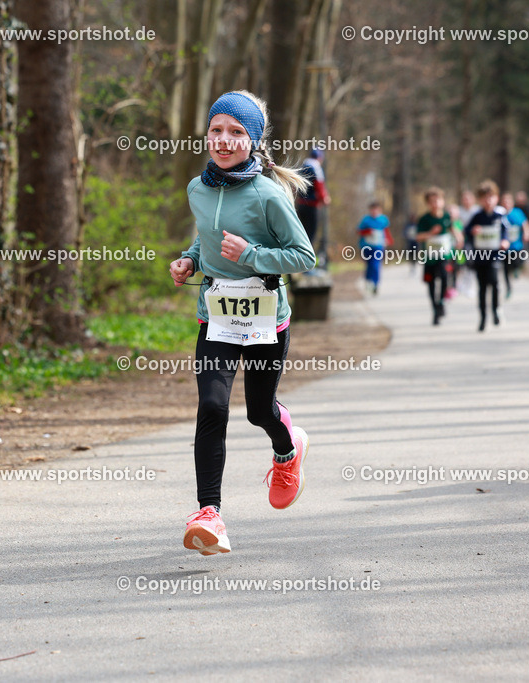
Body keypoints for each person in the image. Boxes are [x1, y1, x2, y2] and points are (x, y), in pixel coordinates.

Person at [169, 90, 316, 555]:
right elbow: (206, 235)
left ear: (252, 140)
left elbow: (304, 256)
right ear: (206, 135)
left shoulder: (268, 194)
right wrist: (190, 260)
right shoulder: (197, 187)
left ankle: (287, 445)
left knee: (257, 411)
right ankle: (208, 513)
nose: (224, 140)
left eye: (236, 133)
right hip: (216, 317)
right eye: (216, 130)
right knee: (212, 406)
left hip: (266, 319)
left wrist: (251, 255)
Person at [463, 180, 511, 331]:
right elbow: (467, 233)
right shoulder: (476, 216)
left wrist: (505, 242)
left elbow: (507, 232)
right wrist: (472, 231)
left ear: (497, 198)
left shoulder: (499, 215)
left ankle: (496, 310)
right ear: (480, 200)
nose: (488, 201)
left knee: (495, 283)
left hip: (495, 257)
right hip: (480, 257)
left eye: (491, 197)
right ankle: (483, 317)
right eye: (485, 197)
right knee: (482, 288)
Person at [416, 187, 461, 325]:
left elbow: (453, 228)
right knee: (430, 284)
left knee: (444, 278)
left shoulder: (447, 216)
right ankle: (434, 309)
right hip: (430, 257)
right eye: (432, 201)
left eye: (438, 200)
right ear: (428, 203)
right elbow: (418, 237)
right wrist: (430, 233)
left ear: (442, 201)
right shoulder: (424, 219)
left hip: (444, 256)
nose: (435, 203)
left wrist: (458, 237)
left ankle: (441, 302)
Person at [296, 148, 331, 267]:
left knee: (303, 234)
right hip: (312, 206)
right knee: (311, 235)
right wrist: (325, 198)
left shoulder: (303, 166)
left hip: (301, 204)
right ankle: (307, 266)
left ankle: (299, 263)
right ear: (320, 157)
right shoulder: (315, 167)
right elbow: (319, 185)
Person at [500, 192, 529, 298]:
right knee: (505, 269)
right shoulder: (500, 214)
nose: (506, 203)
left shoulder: (517, 212)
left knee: (516, 262)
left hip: (516, 245)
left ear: (512, 203)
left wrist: (527, 233)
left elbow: (525, 224)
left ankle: (517, 268)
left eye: (508, 201)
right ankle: (508, 287)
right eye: (504, 201)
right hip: (503, 247)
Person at [357, 201, 391, 294]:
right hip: (366, 246)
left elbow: (386, 231)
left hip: (378, 246)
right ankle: (368, 281)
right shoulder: (366, 220)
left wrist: (388, 240)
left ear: (380, 210)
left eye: (376, 210)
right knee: (369, 265)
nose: (374, 212)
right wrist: (368, 232)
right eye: (372, 210)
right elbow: (359, 231)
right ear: (370, 210)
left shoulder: (383, 219)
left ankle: (375, 284)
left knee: (376, 264)